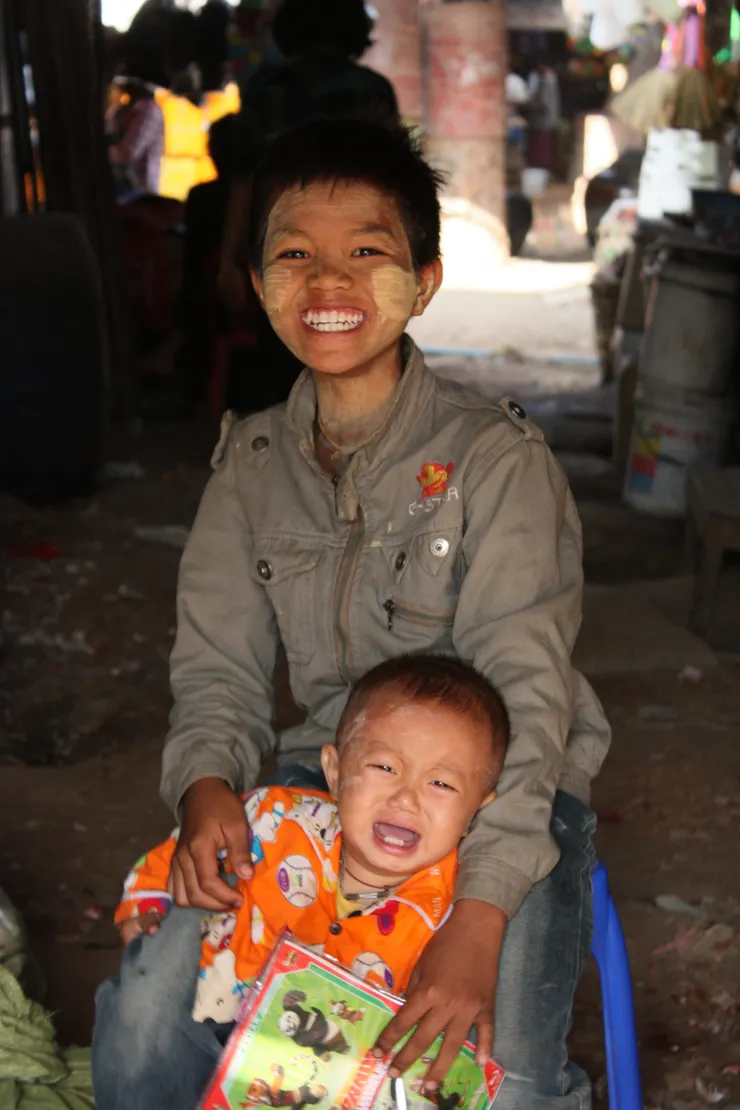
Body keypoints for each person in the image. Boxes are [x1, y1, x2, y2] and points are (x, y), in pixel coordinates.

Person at [95, 117, 611, 1110]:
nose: (327, 283)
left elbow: (527, 694)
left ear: (423, 282)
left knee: (494, 1073)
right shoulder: (248, 465)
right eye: (294, 256)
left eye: (366, 253)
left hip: (503, 792)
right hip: (328, 774)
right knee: (153, 1014)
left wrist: (479, 915)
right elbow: (216, 671)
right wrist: (204, 787)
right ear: (257, 285)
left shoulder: (495, 462)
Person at [92, 654, 510, 1107]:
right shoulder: (273, 817)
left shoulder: (457, 911)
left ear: (476, 809)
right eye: (385, 768)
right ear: (335, 772)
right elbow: (179, 857)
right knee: (142, 999)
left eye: (442, 785)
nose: (406, 798)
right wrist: (146, 907)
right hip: (209, 1025)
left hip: (318, 1078)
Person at [216, 0, 400, 403]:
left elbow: (244, 179)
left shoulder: (267, 88)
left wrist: (229, 260)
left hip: (283, 248)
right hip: (360, 250)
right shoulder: (372, 90)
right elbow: (394, 188)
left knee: (285, 362)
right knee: (357, 353)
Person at [106, 78, 165, 197]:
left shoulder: (149, 110)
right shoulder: (123, 109)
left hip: (139, 191)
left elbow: (127, 153)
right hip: (124, 186)